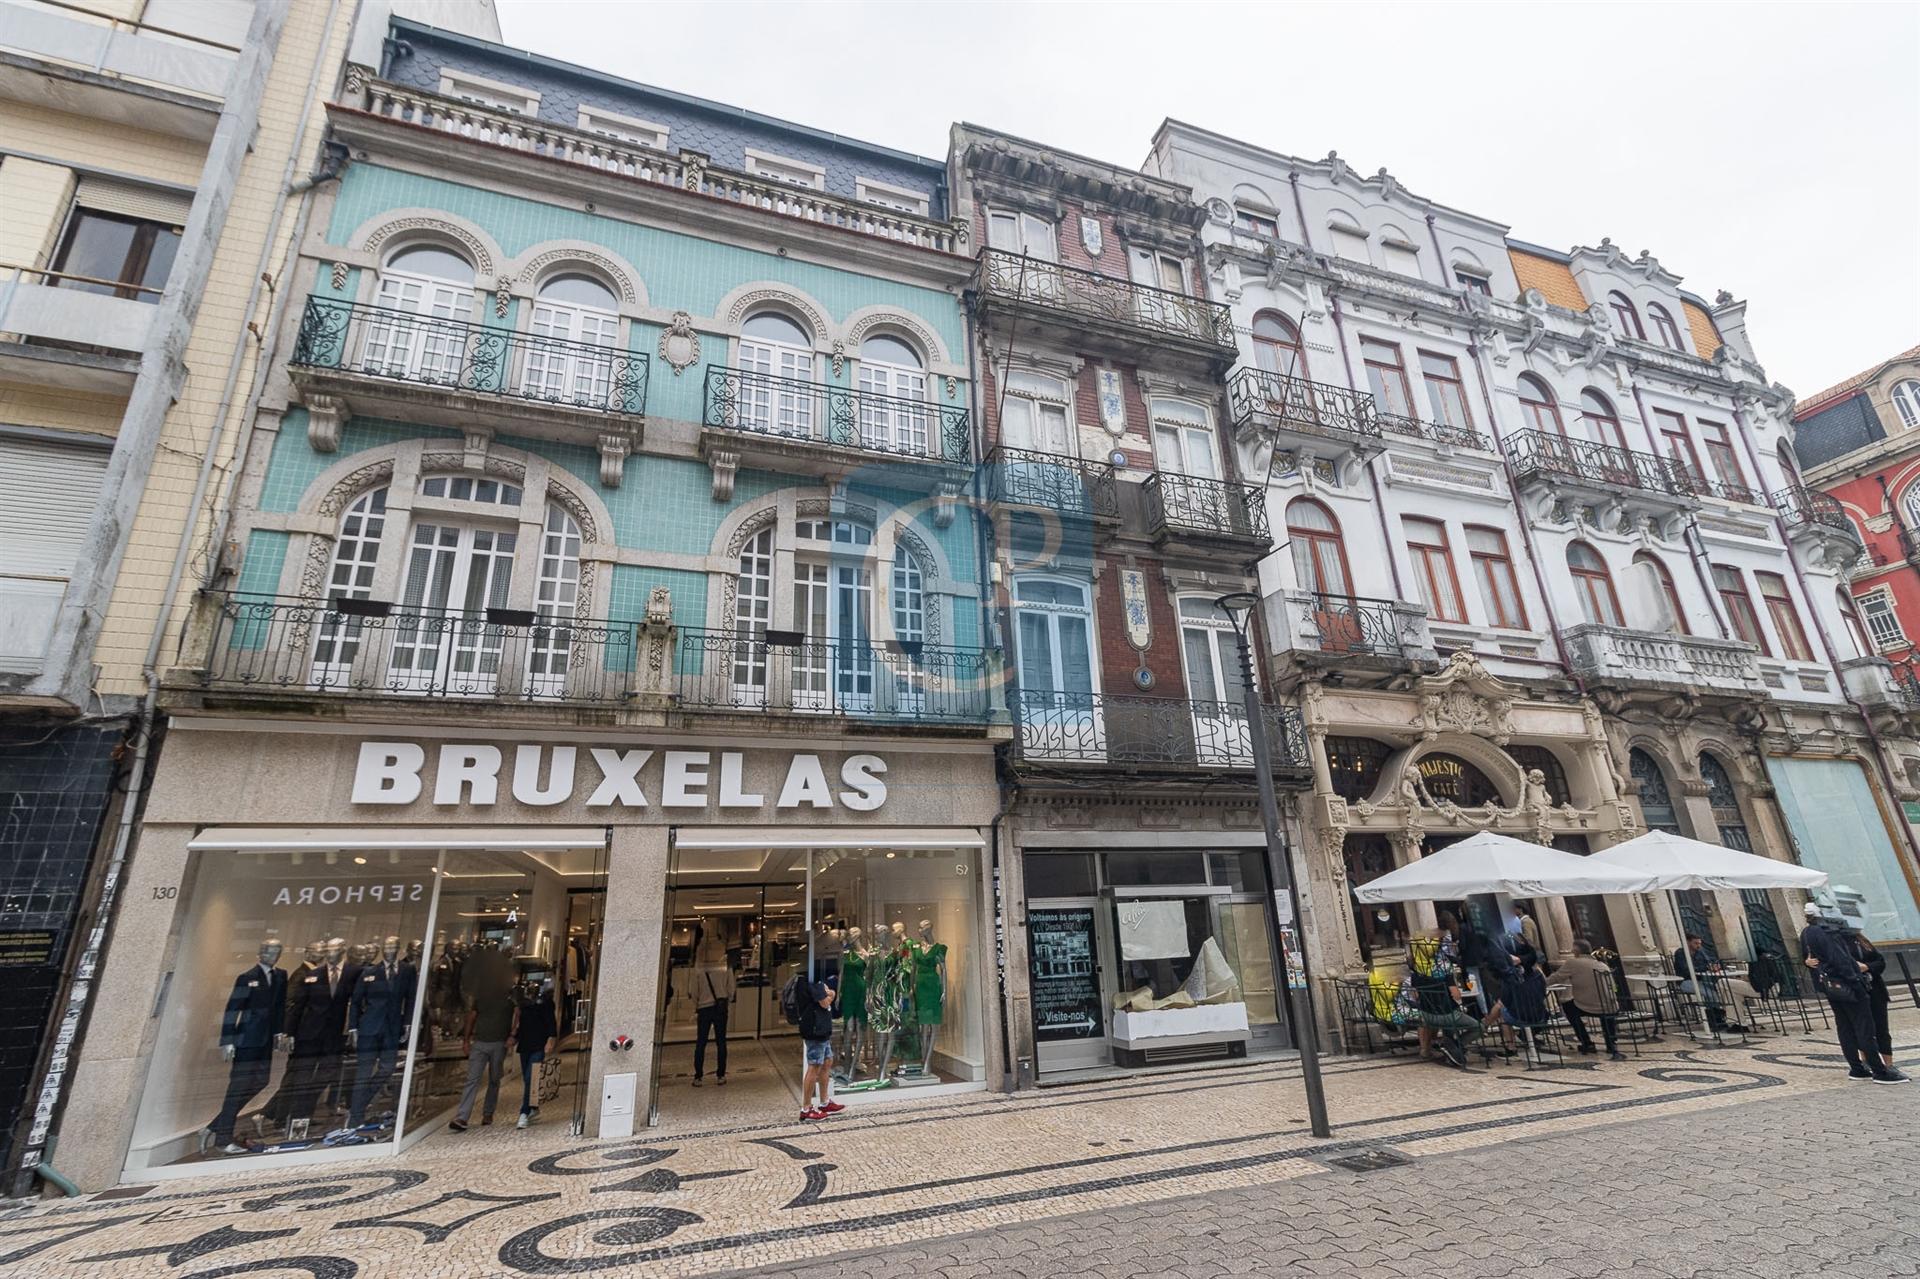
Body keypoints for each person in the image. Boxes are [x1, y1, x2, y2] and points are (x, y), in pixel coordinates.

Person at [1801, 903, 1902, 1084]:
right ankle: (1879, 1071)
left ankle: (1860, 1068)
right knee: (1863, 1028)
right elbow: (1838, 960)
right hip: (1849, 986)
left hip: (1837, 987)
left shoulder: (1810, 933)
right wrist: (1855, 980)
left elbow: (1877, 960)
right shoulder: (1829, 934)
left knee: (1849, 1027)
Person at [450, 979, 515, 1131]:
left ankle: (488, 1113)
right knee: (472, 1079)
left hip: (499, 1043)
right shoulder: (481, 1000)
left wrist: (512, 1035)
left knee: (494, 1079)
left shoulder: (510, 1001)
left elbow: (517, 1017)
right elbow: (471, 1018)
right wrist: (466, 1040)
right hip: (480, 1043)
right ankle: (462, 1116)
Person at [1409, 938, 1483, 1069]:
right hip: (1446, 1014)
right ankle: (1454, 1044)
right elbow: (1456, 994)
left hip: (1427, 1016)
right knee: (1479, 1027)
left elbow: (1415, 996)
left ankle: (1443, 1046)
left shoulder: (1416, 974)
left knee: (1446, 1017)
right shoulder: (1444, 970)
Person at [1850, 933, 1910, 1084]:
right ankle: (1866, 1060)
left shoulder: (1863, 940)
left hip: (1876, 990)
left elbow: (1880, 962)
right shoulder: (1839, 942)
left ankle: (1889, 1065)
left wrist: (1867, 967)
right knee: (1864, 1029)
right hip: (1857, 991)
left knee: (1882, 1028)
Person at [1672, 934, 1760, 1034]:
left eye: (1699, 943)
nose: (1698, 946)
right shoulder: (1680, 953)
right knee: (1709, 993)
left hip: (1701, 980)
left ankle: (1720, 1015)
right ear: (1687, 942)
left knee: (1718, 988)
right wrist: (1706, 968)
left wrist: (1714, 965)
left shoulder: (1701, 951)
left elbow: (1711, 960)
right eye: (1695, 943)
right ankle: (1714, 1019)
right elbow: (1686, 969)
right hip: (1685, 981)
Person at [1552, 948, 1627, 1061]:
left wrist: (1540, 984)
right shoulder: (1602, 965)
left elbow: (1557, 977)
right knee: (1606, 1010)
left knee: (1568, 1006)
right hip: (1610, 1005)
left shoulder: (1573, 962)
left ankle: (1586, 1042)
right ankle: (1611, 1043)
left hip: (1589, 1006)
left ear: (1576, 951)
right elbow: (1613, 987)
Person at [513, 983, 560, 1128]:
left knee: (530, 1077)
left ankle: (524, 1113)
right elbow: (520, 1024)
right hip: (525, 1045)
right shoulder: (523, 1004)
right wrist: (514, 1037)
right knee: (528, 1079)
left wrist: (551, 1039)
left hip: (539, 1045)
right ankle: (533, 1107)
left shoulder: (545, 1003)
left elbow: (551, 1022)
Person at [797, 980, 844, 1121]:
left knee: (827, 1061)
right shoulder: (811, 982)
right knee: (814, 1066)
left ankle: (824, 1102)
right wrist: (832, 994)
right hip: (815, 1031)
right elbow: (825, 1002)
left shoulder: (817, 981)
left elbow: (827, 997)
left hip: (822, 1030)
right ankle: (806, 1108)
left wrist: (830, 994)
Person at [691, 946, 737, 1088]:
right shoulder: (725, 967)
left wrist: (698, 1003)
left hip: (704, 1008)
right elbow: (731, 988)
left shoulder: (699, 969)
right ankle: (721, 1075)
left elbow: (693, 991)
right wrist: (726, 1000)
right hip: (720, 1008)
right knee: (721, 1042)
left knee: (701, 1043)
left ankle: (698, 1076)